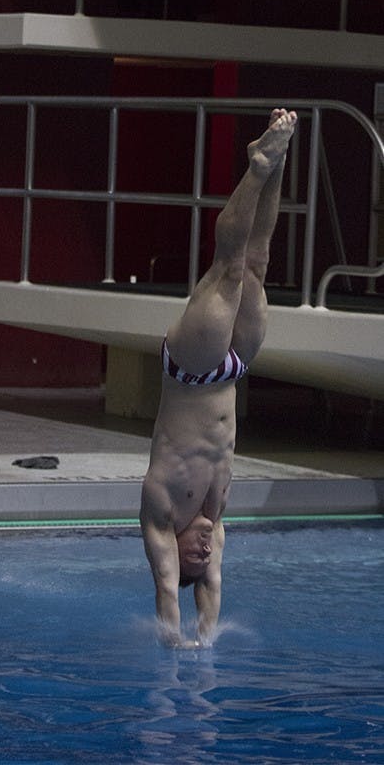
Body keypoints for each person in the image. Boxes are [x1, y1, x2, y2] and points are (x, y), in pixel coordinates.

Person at [140, 108, 298, 648]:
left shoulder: (162, 513)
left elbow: (168, 592)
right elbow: (210, 583)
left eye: (192, 556)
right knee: (255, 266)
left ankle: (255, 166)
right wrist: (206, 640)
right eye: (202, 559)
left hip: (191, 369)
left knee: (227, 269)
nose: (204, 553)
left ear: (172, 548)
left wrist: (176, 639)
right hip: (231, 368)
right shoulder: (213, 519)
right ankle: (276, 164)